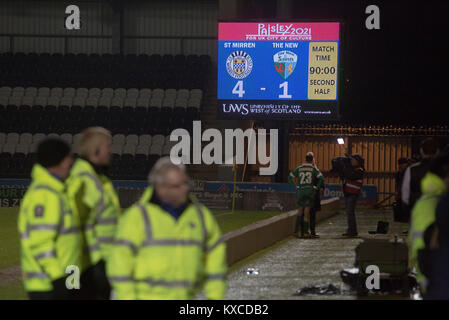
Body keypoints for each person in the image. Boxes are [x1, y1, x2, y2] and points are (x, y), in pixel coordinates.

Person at [107, 157, 227, 300]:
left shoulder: (201, 216)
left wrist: (215, 297)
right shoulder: (136, 218)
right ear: (160, 188)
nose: (185, 189)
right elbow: (120, 265)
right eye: (177, 186)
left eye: (186, 183)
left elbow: (216, 261)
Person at [18, 138, 82, 300]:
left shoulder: (58, 191)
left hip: (66, 278)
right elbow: (41, 243)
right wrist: (59, 280)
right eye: (68, 157)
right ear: (58, 160)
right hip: (50, 284)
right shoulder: (44, 194)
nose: (71, 161)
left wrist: (71, 281)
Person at [66, 127, 121, 299]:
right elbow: (71, 229)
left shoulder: (97, 179)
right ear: (95, 149)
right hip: (90, 266)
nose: (111, 150)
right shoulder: (84, 180)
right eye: (108, 146)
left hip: (102, 262)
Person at [402, 138, 439, 224]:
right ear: (437, 151)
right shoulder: (445, 169)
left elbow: (405, 196)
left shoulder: (412, 170)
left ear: (421, 151)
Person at [288, 152, 324, 239]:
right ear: (312, 160)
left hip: (301, 191)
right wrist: (316, 187)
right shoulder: (313, 168)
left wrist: (295, 186)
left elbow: (290, 177)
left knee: (300, 211)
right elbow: (321, 178)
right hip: (309, 191)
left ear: (305, 159)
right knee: (306, 213)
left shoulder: (299, 168)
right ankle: (305, 233)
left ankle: (296, 231)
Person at [341, 154, 365, 237]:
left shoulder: (360, 170)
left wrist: (345, 166)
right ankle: (351, 230)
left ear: (357, 161)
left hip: (353, 193)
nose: (351, 161)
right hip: (348, 192)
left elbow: (350, 176)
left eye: (353, 160)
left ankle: (352, 231)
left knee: (350, 212)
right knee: (349, 212)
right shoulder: (352, 169)